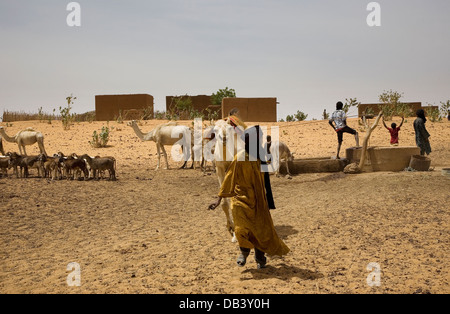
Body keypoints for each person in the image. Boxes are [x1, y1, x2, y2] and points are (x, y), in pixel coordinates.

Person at [208, 126, 289, 269]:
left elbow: (265, 181)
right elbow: (228, 178)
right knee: (240, 228)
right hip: (241, 199)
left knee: (261, 230)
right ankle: (243, 252)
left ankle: (260, 257)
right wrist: (219, 199)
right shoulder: (239, 158)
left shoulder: (261, 158)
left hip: (258, 200)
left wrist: (267, 200)